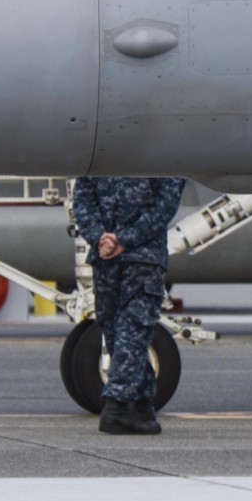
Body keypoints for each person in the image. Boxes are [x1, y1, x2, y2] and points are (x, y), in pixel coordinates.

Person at [69, 175, 187, 435]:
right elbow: (82, 198)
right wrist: (99, 237)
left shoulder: (161, 154)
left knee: (131, 328)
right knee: (113, 328)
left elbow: (164, 206)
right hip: (106, 257)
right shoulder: (105, 153)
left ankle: (118, 406)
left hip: (142, 257)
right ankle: (141, 403)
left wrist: (124, 240)